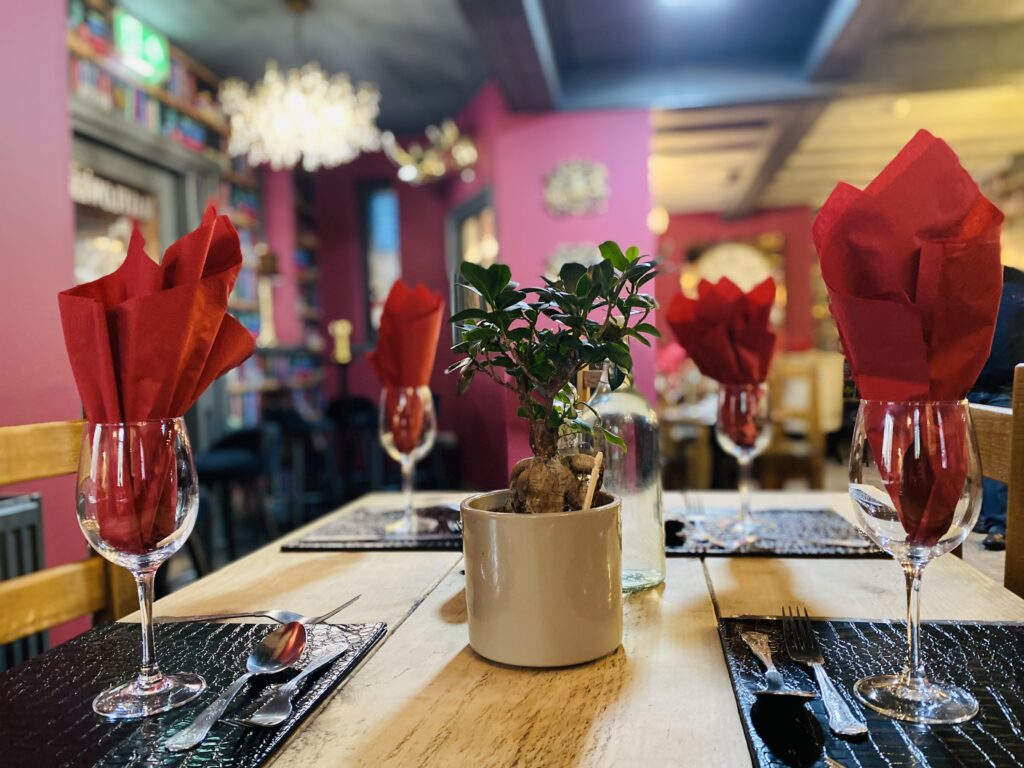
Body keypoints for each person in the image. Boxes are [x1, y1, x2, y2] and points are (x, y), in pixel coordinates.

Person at [969, 265, 1024, 550]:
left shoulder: (1019, 283)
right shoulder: (966, 282)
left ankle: (1000, 524)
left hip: (1005, 385)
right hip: (967, 382)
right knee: (973, 455)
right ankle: (981, 516)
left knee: (1001, 453)